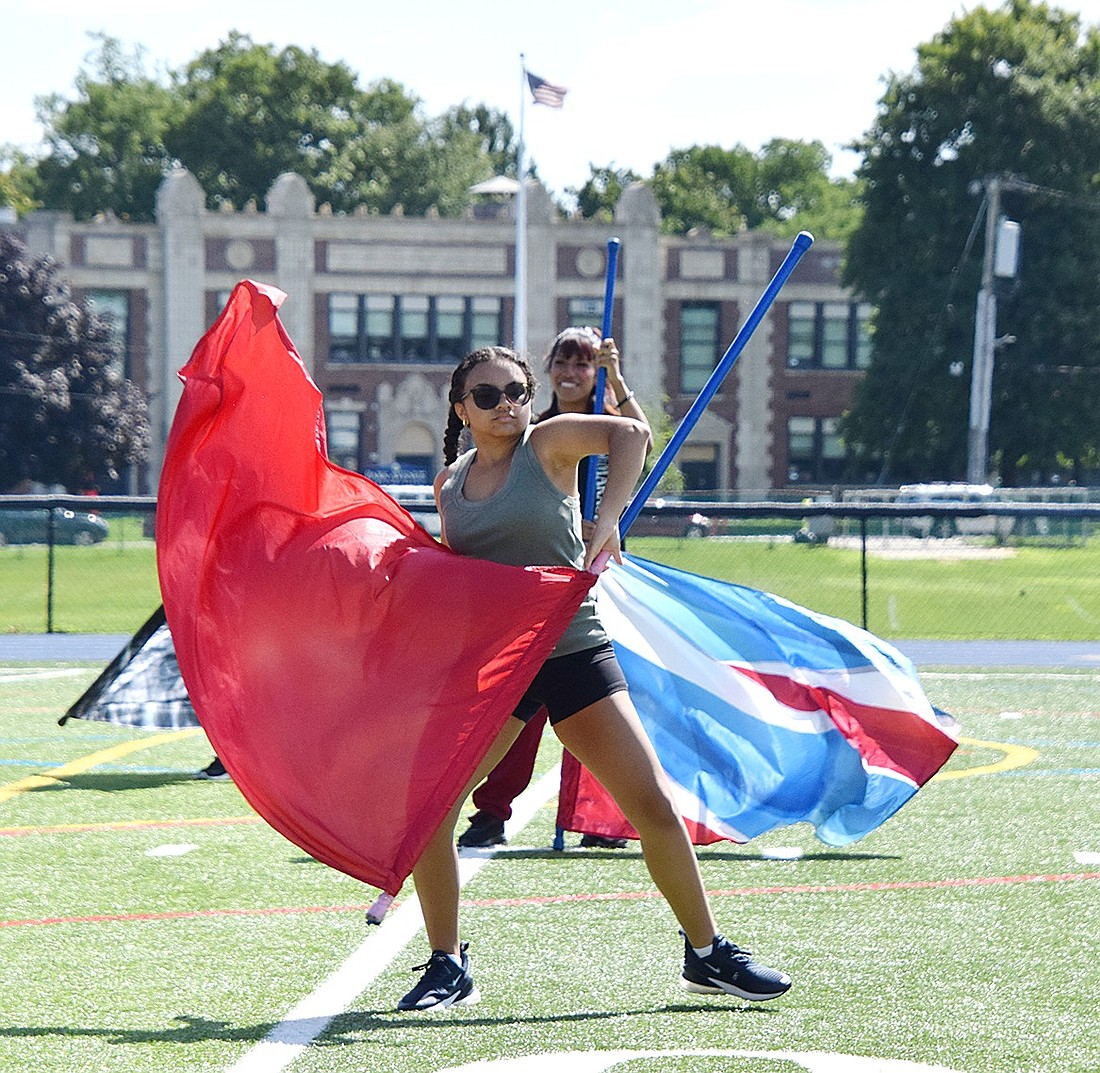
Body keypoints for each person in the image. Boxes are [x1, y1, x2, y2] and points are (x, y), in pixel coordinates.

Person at [396, 344, 791, 1011]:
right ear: (461, 408)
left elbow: (630, 434)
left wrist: (605, 522)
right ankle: (446, 961)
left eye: (518, 390)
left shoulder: (547, 444)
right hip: (500, 668)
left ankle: (707, 953)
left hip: (575, 651)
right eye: (488, 396)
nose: (508, 405)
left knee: (654, 807)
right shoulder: (450, 484)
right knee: (429, 809)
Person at [457, 326, 648, 851]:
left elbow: (639, 437)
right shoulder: (533, 433)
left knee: (598, 713)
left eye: (583, 365)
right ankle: (492, 809)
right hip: (529, 601)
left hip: (593, 580)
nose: (570, 373)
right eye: (561, 363)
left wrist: (603, 523)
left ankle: (600, 816)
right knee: (520, 714)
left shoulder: (594, 425)